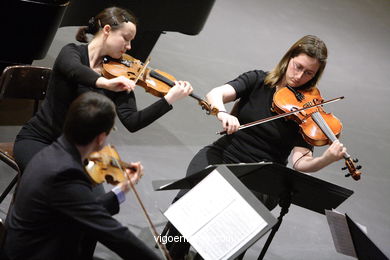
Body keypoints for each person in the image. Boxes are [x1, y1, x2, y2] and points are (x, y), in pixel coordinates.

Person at [165, 35, 348, 259]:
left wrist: (327, 158)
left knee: (228, 223)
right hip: (223, 154)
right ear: (288, 58)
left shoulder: (309, 111)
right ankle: (172, 250)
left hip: (262, 176)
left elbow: (300, 163)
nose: (299, 76)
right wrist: (222, 112)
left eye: (308, 73)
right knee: (189, 202)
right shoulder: (258, 80)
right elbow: (216, 94)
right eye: (297, 67)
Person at [13, 6, 193, 172]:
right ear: (107, 30)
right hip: (39, 140)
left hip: (77, 152)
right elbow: (76, 71)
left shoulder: (119, 74)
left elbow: (132, 121)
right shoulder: (71, 53)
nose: (129, 47)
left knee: (95, 199)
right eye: (126, 38)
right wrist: (105, 83)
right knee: (54, 182)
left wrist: (168, 100)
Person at [2, 92, 161, 260]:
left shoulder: (53, 151)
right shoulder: (66, 174)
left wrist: (122, 189)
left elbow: (84, 208)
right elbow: (114, 234)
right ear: (100, 138)